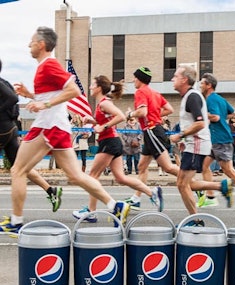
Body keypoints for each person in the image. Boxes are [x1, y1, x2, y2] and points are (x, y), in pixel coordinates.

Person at [2, 26, 130, 233]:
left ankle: (15, 223)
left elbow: (73, 90)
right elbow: (50, 96)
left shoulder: (48, 65)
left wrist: (45, 105)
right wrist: (31, 95)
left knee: (18, 170)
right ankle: (115, 205)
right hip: (58, 127)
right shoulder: (45, 67)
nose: (29, 45)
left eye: (32, 42)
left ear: (41, 44)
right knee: (75, 176)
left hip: (48, 126)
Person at [72, 75, 163, 222]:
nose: (90, 87)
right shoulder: (101, 103)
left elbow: (120, 116)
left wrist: (103, 127)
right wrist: (93, 121)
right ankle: (152, 192)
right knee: (120, 178)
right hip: (112, 142)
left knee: (92, 177)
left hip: (109, 142)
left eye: (92, 84)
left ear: (99, 87)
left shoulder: (104, 103)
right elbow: (106, 120)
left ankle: (91, 212)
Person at [170, 65, 233, 224]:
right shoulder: (189, 97)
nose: (173, 79)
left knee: (182, 184)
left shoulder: (193, 97)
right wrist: (185, 140)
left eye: (175, 76)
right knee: (186, 183)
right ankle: (221, 186)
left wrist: (181, 135)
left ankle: (195, 219)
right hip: (193, 144)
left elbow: (200, 124)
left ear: (184, 79)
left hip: (197, 144)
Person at [0, 58, 62, 216]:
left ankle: (16, 218)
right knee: (21, 167)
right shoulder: (4, 82)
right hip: (10, 129)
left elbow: (13, 98)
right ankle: (51, 190)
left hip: (3, 129)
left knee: (19, 168)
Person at [197, 72, 235, 211]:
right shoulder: (220, 99)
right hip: (216, 139)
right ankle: (211, 198)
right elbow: (233, 112)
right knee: (204, 166)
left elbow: (216, 118)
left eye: (202, 83)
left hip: (221, 139)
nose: (200, 85)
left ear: (209, 85)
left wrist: (202, 115)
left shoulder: (211, 99)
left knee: (229, 171)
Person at [125, 67, 179, 210]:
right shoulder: (155, 93)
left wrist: (130, 114)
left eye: (134, 78)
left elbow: (142, 111)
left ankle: (193, 183)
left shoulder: (140, 91)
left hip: (152, 131)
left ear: (140, 79)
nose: (133, 80)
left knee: (167, 167)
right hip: (152, 131)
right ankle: (136, 198)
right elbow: (169, 109)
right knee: (141, 166)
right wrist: (155, 115)